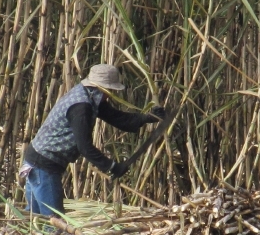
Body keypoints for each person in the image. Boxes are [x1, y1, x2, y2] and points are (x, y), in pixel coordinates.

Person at [21, 63, 164, 216]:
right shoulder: (81, 107)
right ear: (104, 89)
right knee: (53, 223)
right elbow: (85, 147)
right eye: (111, 91)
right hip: (44, 166)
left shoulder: (88, 96)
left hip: (35, 161)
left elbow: (117, 117)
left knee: (34, 219)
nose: (111, 94)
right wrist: (111, 167)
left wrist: (147, 118)